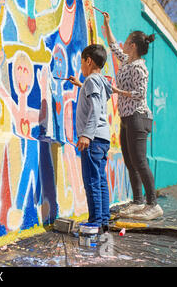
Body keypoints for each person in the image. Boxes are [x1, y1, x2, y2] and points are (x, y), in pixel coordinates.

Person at [102, 12, 163, 221]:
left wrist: (118, 92)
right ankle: (138, 202)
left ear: (134, 46)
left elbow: (140, 94)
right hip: (127, 118)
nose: (124, 44)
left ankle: (153, 204)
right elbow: (112, 46)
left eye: (127, 42)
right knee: (130, 161)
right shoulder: (127, 61)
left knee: (140, 161)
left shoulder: (139, 67)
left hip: (138, 117)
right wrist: (107, 24)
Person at [68, 44, 113, 232]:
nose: (81, 68)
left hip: (93, 139)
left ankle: (94, 223)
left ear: (89, 61)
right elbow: (100, 100)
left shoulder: (91, 81)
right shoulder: (101, 81)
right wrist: (81, 85)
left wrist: (86, 134)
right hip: (103, 139)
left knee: (92, 180)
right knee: (100, 180)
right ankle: (103, 221)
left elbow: (95, 107)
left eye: (82, 63)